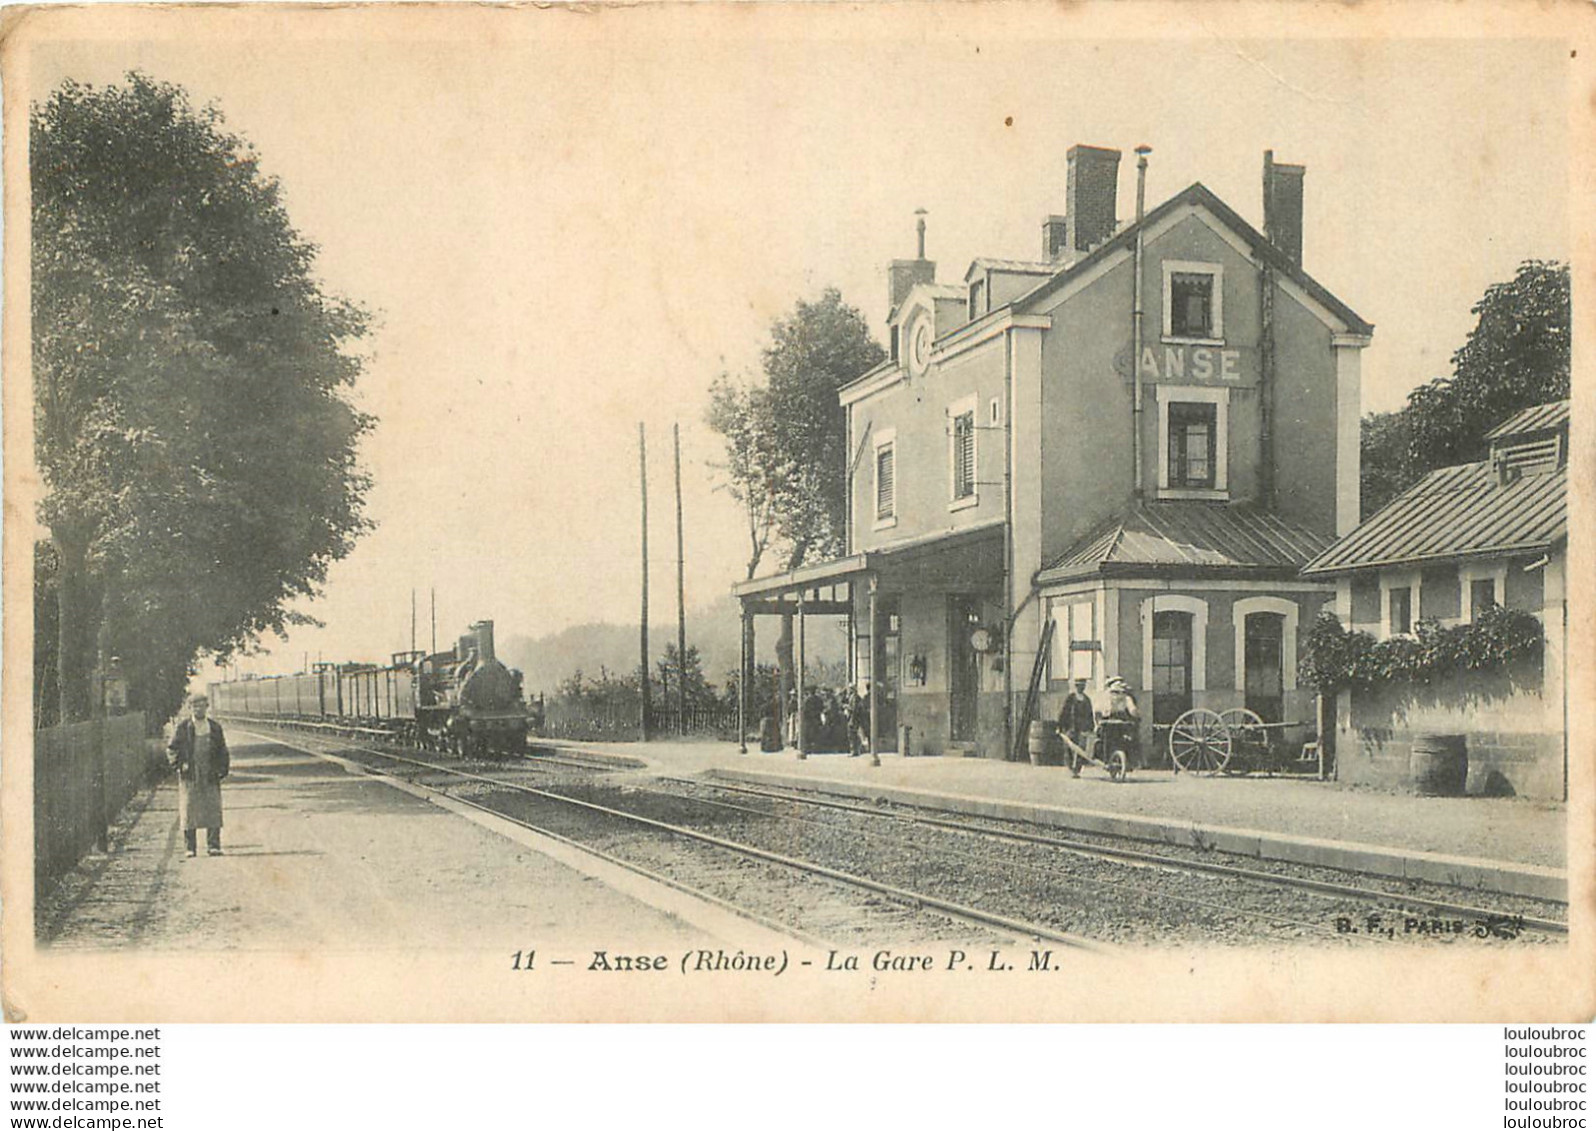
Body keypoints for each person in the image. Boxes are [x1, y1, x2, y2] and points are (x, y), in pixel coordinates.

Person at [168, 694, 230, 858]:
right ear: (190, 708)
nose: (198, 709)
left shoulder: (214, 727)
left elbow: (223, 750)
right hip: (191, 774)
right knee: (190, 809)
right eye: (195, 706)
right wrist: (180, 765)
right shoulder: (183, 727)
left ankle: (213, 845)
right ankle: (190, 847)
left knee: (213, 808)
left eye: (202, 706)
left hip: (210, 772)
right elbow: (172, 749)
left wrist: (222, 769)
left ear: (207, 707)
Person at [1057, 678, 1095, 773]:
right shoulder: (1071, 698)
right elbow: (1064, 712)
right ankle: (1070, 766)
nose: (1080, 688)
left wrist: (1091, 727)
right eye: (1078, 686)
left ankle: (1077, 769)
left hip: (1083, 728)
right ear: (1075, 686)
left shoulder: (1087, 700)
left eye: (1082, 686)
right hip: (1072, 727)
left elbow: (1090, 715)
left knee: (1081, 750)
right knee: (1069, 747)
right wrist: (1060, 726)